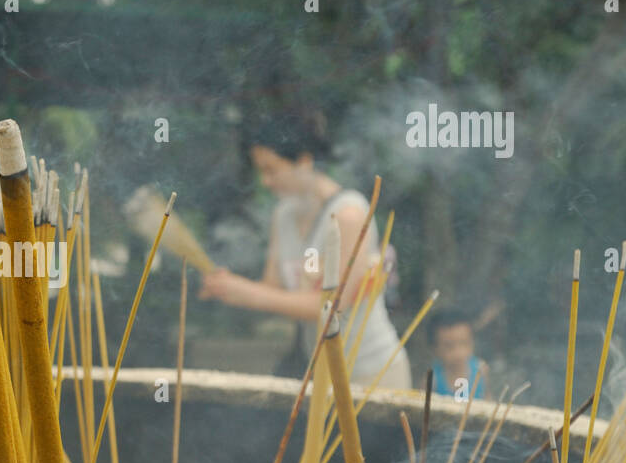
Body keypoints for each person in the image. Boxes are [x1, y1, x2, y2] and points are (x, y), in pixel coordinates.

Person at [198, 115, 412, 389]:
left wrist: (246, 292)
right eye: (260, 171)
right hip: (321, 373)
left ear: (304, 161)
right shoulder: (283, 214)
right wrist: (228, 288)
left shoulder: (349, 215)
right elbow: (273, 289)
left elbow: (331, 307)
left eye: (272, 170)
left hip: (372, 372)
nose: (265, 181)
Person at [426, 307, 488, 400]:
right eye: (449, 346)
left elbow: (487, 399)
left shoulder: (481, 370)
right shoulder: (432, 380)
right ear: (435, 349)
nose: (458, 353)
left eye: (464, 343)